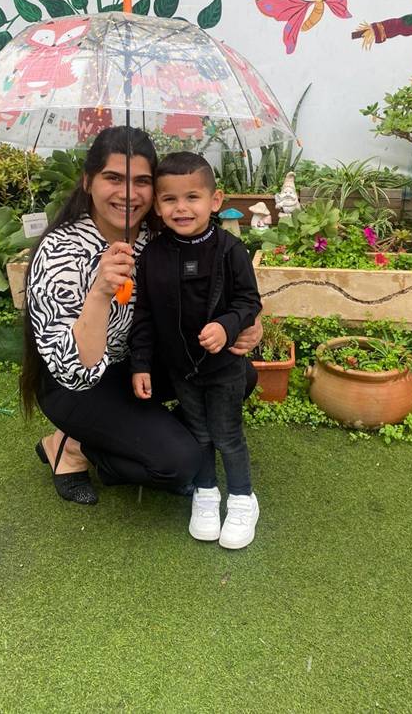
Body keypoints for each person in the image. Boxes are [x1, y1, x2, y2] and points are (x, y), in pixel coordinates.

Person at [20, 126, 261, 506]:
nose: (129, 193)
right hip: (80, 383)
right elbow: (73, 371)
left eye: (142, 181)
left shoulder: (159, 235)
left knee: (237, 375)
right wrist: (100, 292)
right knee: (180, 462)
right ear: (88, 181)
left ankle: (166, 436)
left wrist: (245, 323)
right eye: (114, 178)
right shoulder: (61, 251)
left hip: (140, 363)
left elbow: (216, 287)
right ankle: (73, 448)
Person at [130, 152, 262, 549]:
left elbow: (249, 301)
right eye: (169, 199)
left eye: (192, 197)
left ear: (214, 200)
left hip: (224, 367)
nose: (181, 208)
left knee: (227, 435)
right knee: (199, 433)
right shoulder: (152, 256)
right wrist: (140, 363)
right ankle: (206, 492)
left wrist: (227, 326)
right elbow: (144, 314)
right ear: (157, 205)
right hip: (181, 368)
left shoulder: (230, 250)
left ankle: (242, 498)